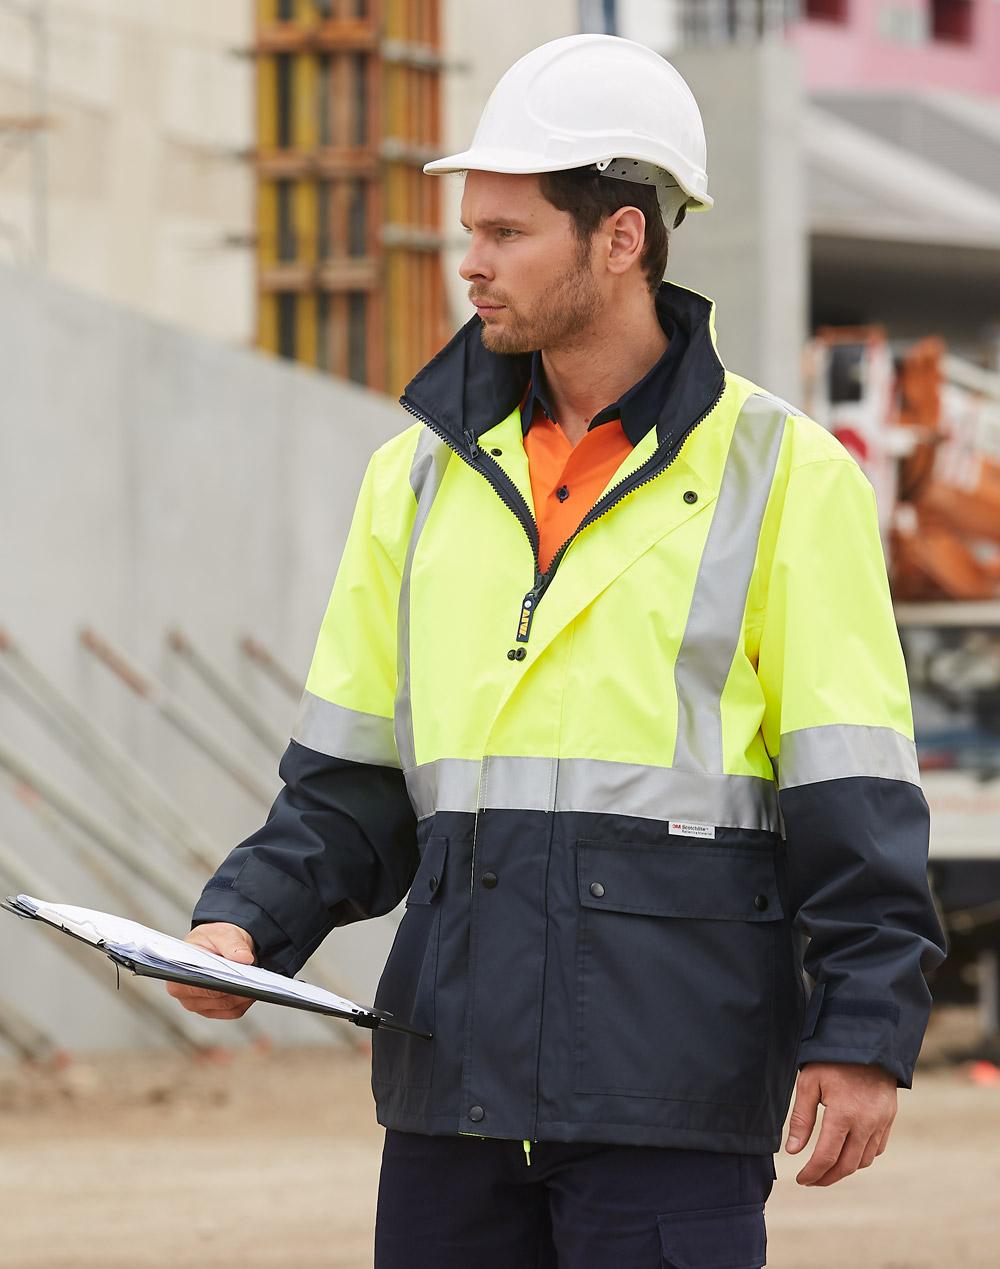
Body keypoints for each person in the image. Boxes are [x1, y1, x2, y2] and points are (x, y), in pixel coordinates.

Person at [167, 34, 947, 1268]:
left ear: (620, 237)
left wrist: (862, 1031)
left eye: (508, 232)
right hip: (453, 1089)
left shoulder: (785, 476)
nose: (468, 263)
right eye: (469, 228)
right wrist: (245, 926)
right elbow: (351, 781)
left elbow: (851, 788)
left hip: (668, 1091)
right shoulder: (413, 477)